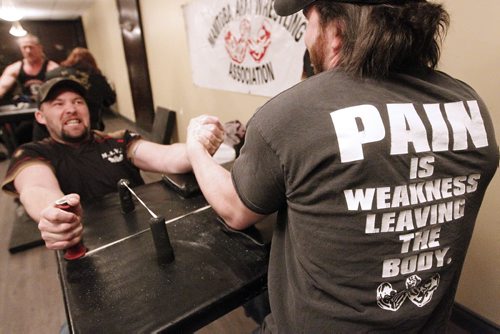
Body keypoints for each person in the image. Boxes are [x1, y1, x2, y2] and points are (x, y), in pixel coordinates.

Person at [186, 0, 499, 333]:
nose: (306, 38)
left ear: (336, 31)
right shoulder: (472, 109)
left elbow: (235, 209)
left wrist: (196, 150)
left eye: (308, 22)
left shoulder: (291, 114)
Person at [1, 77, 224, 251]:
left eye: (78, 101)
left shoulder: (118, 139)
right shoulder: (32, 153)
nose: (71, 109)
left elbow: (166, 156)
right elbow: (35, 187)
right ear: (40, 116)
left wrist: (198, 145)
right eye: (58, 104)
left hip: (147, 237)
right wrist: (52, 213)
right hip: (91, 249)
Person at [0, 34, 59, 144]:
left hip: (47, 111)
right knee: (18, 136)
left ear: (40, 47)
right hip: (26, 112)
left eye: (31, 47)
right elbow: (1, 87)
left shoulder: (52, 67)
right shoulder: (15, 68)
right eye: (24, 47)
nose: (28, 50)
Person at [42, 47, 116, 134]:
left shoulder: (52, 74)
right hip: (91, 124)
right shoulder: (96, 76)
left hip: (59, 123)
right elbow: (110, 99)